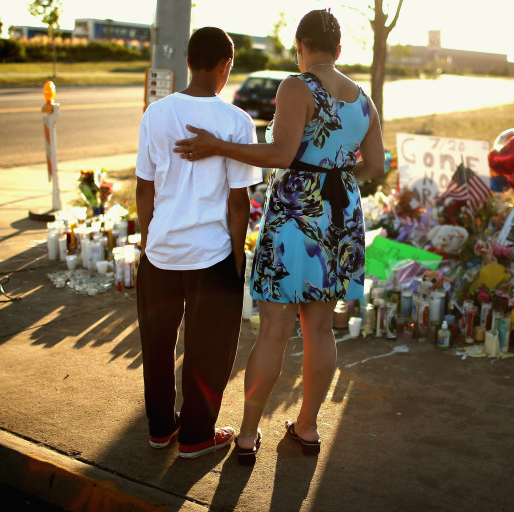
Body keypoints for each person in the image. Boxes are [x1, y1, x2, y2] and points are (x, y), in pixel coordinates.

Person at [174, 9, 385, 461]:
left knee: (273, 330)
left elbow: (282, 153)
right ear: (340, 50)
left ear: (300, 47)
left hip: (295, 215)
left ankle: (248, 436)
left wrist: (217, 146)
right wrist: (339, 173)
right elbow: (375, 166)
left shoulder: (297, 85)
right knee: (321, 328)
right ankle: (307, 428)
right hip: (341, 213)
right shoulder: (363, 100)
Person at [136, 27, 262, 459]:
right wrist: (238, 253)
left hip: (161, 250)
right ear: (225, 65)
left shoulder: (155, 113)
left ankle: (159, 428)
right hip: (211, 255)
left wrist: (146, 241)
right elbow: (238, 202)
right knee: (209, 349)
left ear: (188, 61)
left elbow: (144, 189)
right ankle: (195, 436)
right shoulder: (236, 122)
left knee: (156, 344)